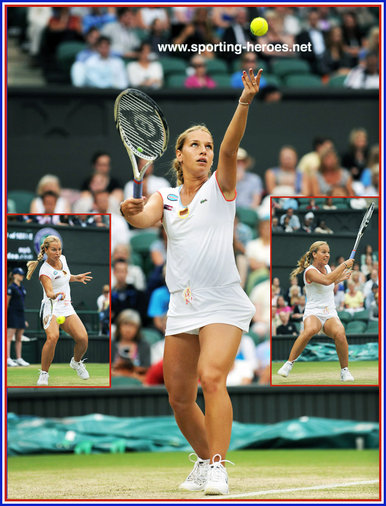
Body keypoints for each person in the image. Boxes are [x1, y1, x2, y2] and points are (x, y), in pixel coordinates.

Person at [119, 67, 262, 495]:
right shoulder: (163, 195)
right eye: (195, 145)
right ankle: (202, 459)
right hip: (182, 304)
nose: (205, 151)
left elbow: (232, 147)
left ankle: (218, 466)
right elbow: (146, 218)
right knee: (179, 397)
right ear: (177, 155)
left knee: (212, 376)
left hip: (222, 300)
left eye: (208, 145)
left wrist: (244, 101)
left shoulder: (221, 185)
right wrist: (132, 212)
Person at [277, 241, 355, 382]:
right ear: (314, 254)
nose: (327, 255)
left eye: (328, 252)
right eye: (323, 252)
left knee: (340, 333)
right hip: (314, 312)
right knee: (310, 330)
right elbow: (325, 281)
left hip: (330, 312)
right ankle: (289, 364)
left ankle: (345, 371)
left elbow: (328, 283)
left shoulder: (327, 268)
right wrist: (344, 265)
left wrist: (339, 279)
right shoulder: (310, 271)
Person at [26, 235, 92, 386]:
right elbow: (49, 292)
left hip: (66, 306)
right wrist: (56, 295)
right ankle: (44, 374)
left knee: (83, 339)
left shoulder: (63, 259)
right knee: (53, 337)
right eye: (54, 250)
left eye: (59, 249)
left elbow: (64, 277)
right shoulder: (44, 271)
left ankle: (76, 362)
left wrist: (76, 278)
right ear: (46, 250)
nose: (57, 252)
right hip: (51, 307)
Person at [7, 268, 30, 367]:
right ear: (14, 275)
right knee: (9, 337)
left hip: (21, 315)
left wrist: (24, 319)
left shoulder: (22, 288)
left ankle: (19, 358)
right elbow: (6, 303)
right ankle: (7, 358)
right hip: (12, 314)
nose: (22, 276)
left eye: (22, 274)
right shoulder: (11, 288)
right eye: (20, 274)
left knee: (19, 338)